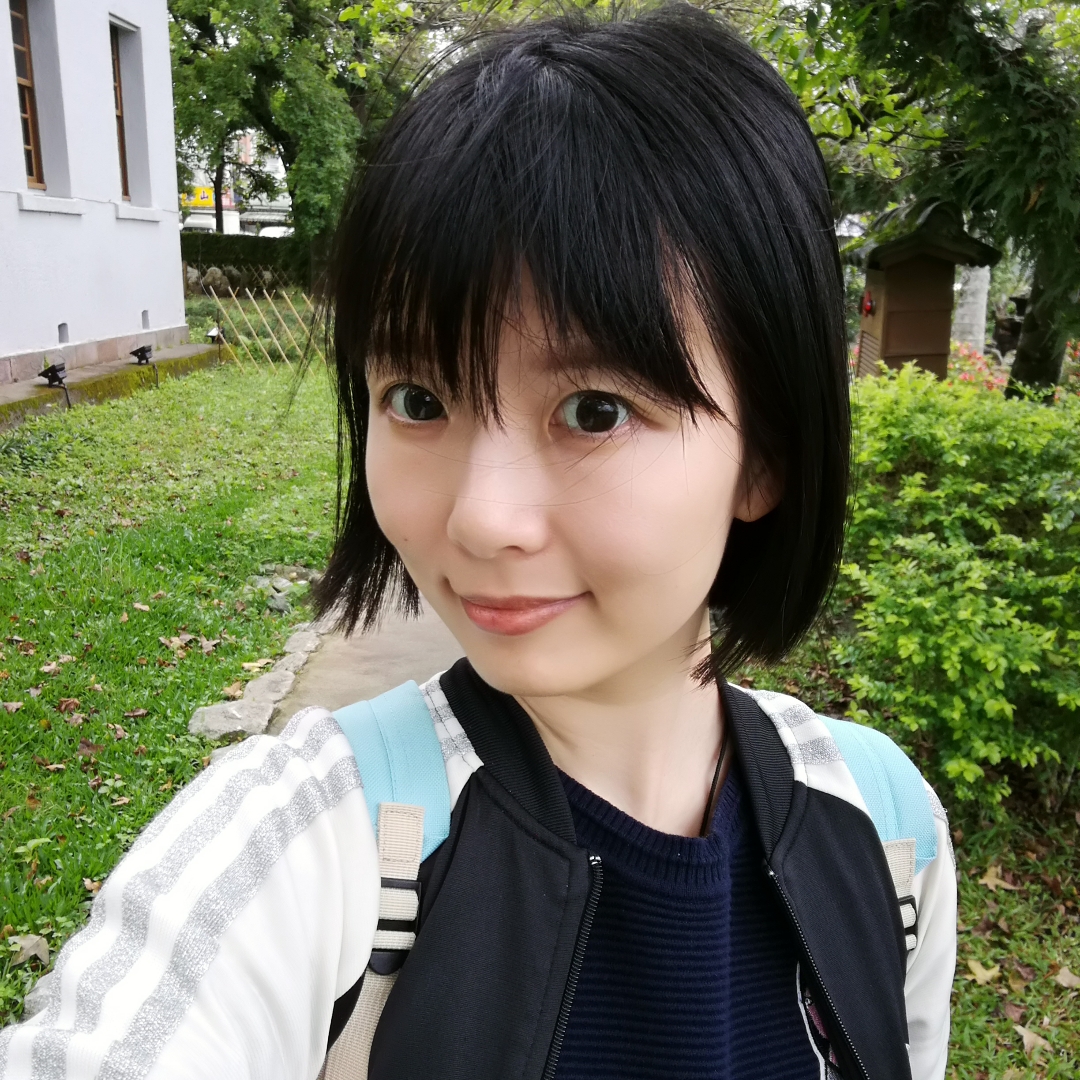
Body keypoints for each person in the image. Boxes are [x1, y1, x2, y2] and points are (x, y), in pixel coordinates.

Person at [0, 6, 955, 1079]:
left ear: (765, 455)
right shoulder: (306, 847)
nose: (478, 519)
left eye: (595, 411)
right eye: (418, 399)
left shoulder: (885, 829)